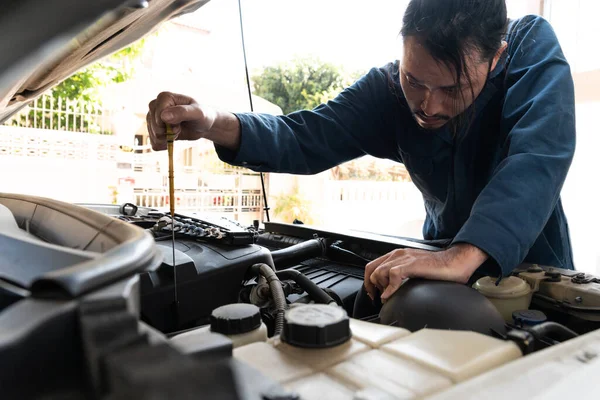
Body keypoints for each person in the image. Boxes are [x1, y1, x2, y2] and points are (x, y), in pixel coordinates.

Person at [147, 0, 576, 308]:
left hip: (538, 280)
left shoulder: (527, 46)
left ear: (496, 56)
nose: (428, 106)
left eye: (452, 89)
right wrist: (211, 121)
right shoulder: (386, 92)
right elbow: (303, 136)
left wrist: (461, 256)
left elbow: (538, 153)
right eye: (415, 80)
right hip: (437, 273)